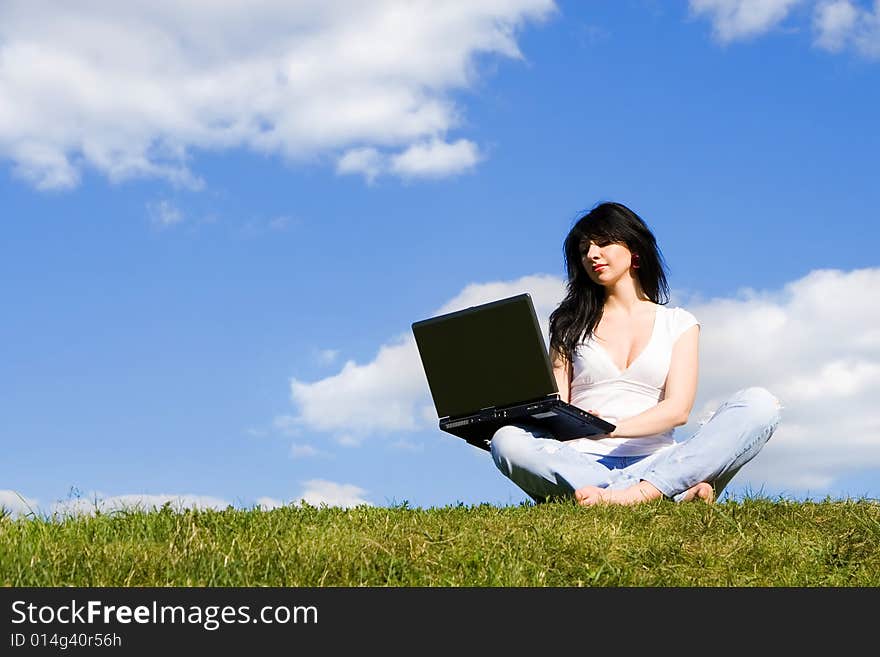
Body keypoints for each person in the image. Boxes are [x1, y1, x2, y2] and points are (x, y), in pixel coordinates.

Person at [490, 201, 782, 506]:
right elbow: (557, 407)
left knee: (760, 405)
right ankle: (657, 493)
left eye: (603, 243)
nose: (592, 254)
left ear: (635, 251)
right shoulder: (568, 325)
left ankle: (634, 493)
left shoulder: (678, 323)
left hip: (659, 461)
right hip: (580, 463)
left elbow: (678, 410)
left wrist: (613, 429)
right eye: (583, 250)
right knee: (506, 440)